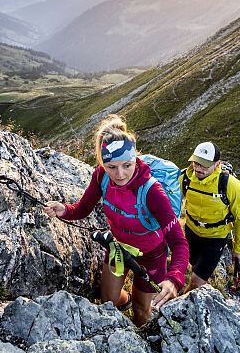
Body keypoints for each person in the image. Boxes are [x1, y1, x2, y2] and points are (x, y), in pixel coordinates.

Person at [45, 115, 188, 327]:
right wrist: (63, 209)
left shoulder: (153, 192)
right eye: (112, 166)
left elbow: (178, 242)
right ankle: (127, 300)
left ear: (135, 159)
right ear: (103, 163)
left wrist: (174, 278)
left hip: (151, 257)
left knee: (141, 314)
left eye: (127, 165)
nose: (120, 174)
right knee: (108, 302)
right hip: (118, 249)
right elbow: (84, 208)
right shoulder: (101, 176)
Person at [181, 142, 240, 293]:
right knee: (194, 267)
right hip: (191, 232)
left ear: (217, 164)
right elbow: (173, 201)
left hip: (215, 238)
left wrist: (238, 249)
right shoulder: (185, 177)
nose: (198, 168)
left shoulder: (231, 186)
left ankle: (178, 308)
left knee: (197, 283)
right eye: (196, 163)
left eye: (204, 165)